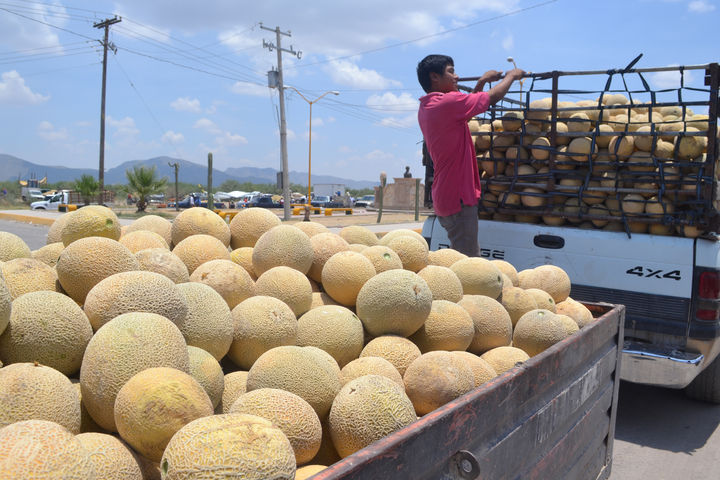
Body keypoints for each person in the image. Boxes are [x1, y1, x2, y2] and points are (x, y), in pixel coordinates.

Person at [416, 54, 524, 256]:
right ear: (434, 77)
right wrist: (511, 76)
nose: (456, 76)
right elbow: (490, 99)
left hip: (446, 195)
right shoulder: (447, 103)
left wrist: (481, 82)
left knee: (463, 258)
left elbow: (465, 110)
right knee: (469, 263)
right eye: (451, 72)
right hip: (457, 197)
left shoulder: (429, 106)